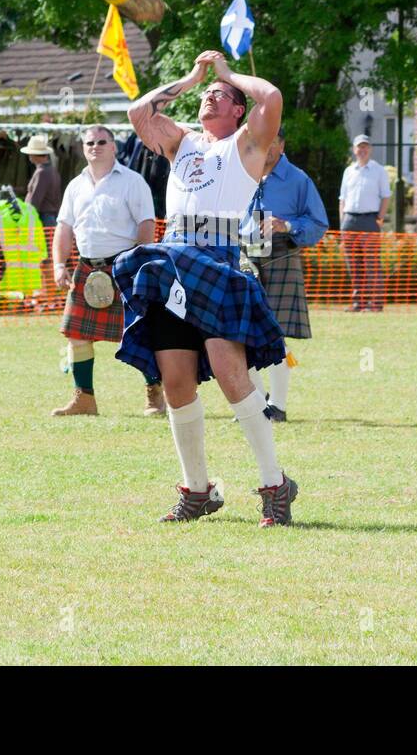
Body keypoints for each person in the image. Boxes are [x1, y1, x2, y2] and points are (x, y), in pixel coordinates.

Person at [113, 50, 296, 527]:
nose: (210, 99)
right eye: (207, 97)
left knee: (231, 375)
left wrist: (229, 74)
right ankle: (198, 490)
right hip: (171, 259)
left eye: (221, 97)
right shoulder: (182, 143)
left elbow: (272, 96)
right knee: (174, 381)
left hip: (215, 260)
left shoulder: (247, 144)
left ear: (239, 109)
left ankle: (275, 485)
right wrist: (194, 78)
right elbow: (138, 112)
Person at [50, 125, 165, 418]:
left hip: (125, 265)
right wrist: (59, 264)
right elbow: (64, 227)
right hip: (86, 267)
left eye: (102, 142)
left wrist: (140, 260)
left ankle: (155, 394)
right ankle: (84, 399)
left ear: (113, 147)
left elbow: (146, 223)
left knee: (140, 333)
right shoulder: (76, 185)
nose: (95, 147)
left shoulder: (132, 181)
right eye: (90, 142)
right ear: (83, 147)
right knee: (76, 334)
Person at [242, 126, 329, 423]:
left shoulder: (298, 180)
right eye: (260, 144)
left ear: (282, 144)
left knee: (275, 335)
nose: (264, 150)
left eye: (271, 144)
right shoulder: (242, 173)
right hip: (243, 255)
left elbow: (318, 222)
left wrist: (288, 226)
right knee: (243, 334)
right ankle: (253, 404)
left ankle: (277, 405)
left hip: (281, 254)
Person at [338, 134, 390, 311]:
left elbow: (385, 197)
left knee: (372, 264)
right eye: (359, 147)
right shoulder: (348, 171)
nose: (362, 150)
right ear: (354, 150)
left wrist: (379, 219)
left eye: (365, 146)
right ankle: (357, 303)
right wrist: (342, 222)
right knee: (353, 264)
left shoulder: (379, 170)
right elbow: (342, 199)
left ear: (370, 149)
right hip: (350, 221)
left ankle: (375, 304)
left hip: (370, 220)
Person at [22, 134, 62, 227]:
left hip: (43, 217)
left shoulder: (42, 172)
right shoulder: (51, 170)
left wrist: (26, 218)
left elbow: (35, 199)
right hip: (49, 216)